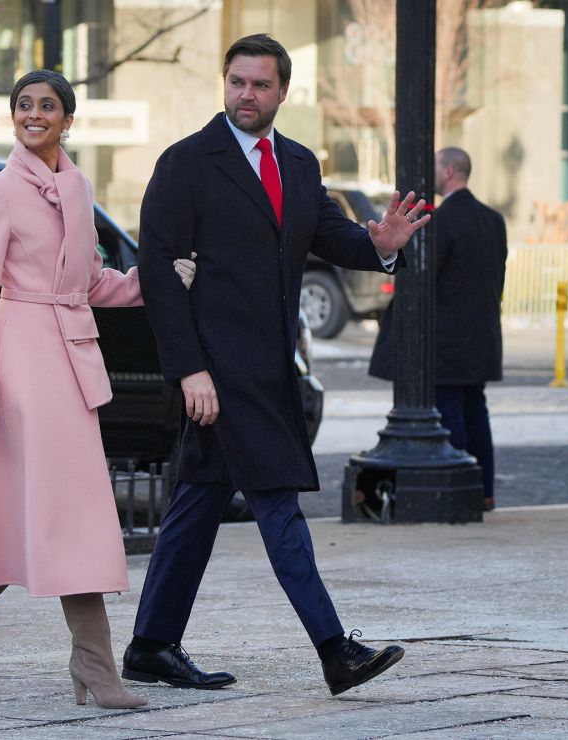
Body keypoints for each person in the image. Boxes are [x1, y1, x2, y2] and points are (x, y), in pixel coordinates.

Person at [127, 33, 428, 697]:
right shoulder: (186, 163)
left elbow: (328, 232)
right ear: (225, 82)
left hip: (271, 367)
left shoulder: (297, 162)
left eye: (260, 85)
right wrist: (189, 370)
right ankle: (334, 650)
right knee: (277, 507)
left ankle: (150, 644)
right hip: (218, 373)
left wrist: (379, 246)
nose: (246, 94)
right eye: (237, 81)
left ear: (282, 92)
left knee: (197, 505)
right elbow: (156, 271)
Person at [0, 70, 196, 709]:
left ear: (69, 119)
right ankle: (93, 666)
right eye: (24, 105)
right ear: (13, 116)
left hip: (69, 364)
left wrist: (155, 279)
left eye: (48, 106)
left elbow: (89, 283)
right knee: (62, 515)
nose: (34, 114)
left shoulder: (76, 185)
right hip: (20, 367)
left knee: (39, 518)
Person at [370, 147, 507, 512]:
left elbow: (421, 281)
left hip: (445, 341)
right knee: (476, 409)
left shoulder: (441, 222)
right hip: (482, 336)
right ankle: (484, 489)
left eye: (433, 167)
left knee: (449, 414)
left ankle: (459, 488)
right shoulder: (494, 220)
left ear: (448, 172)